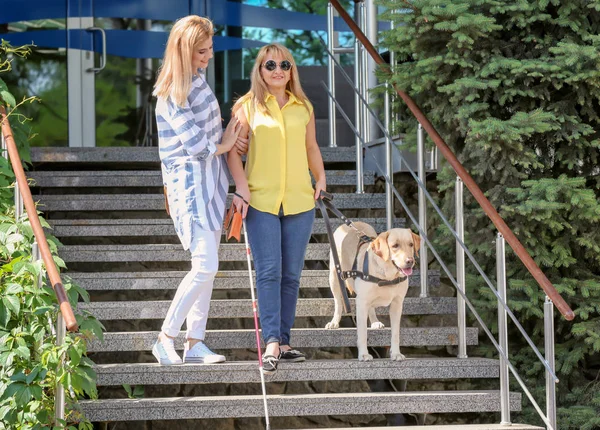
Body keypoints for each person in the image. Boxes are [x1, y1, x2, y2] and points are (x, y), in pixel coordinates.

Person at [151, 15, 244, 365]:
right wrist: (225, 142)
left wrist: (226, 140)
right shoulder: (172, 91)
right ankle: (166, 337)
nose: (208, 56)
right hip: (189, 186)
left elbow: (210, 137)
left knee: (209, 264)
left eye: (210, 49)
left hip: (210, 182)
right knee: (205, 264)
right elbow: (195, 144)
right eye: (201, 51)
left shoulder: (198, 81)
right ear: (184, 50)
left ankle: (194, 343)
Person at [228, 43, 326, 374]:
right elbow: (232, 153)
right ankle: (270, 341)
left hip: (300, 200)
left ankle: (284, 341)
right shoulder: (247, 107)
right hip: (260, 202)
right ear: (260, 69)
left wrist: (321, 177)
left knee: (291, 275)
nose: (278, 70)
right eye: (270, 65)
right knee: (269, 271)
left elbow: (311, 146)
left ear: (292, 70)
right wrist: (241, 189)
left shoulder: (304, 107)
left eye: (284, 64)